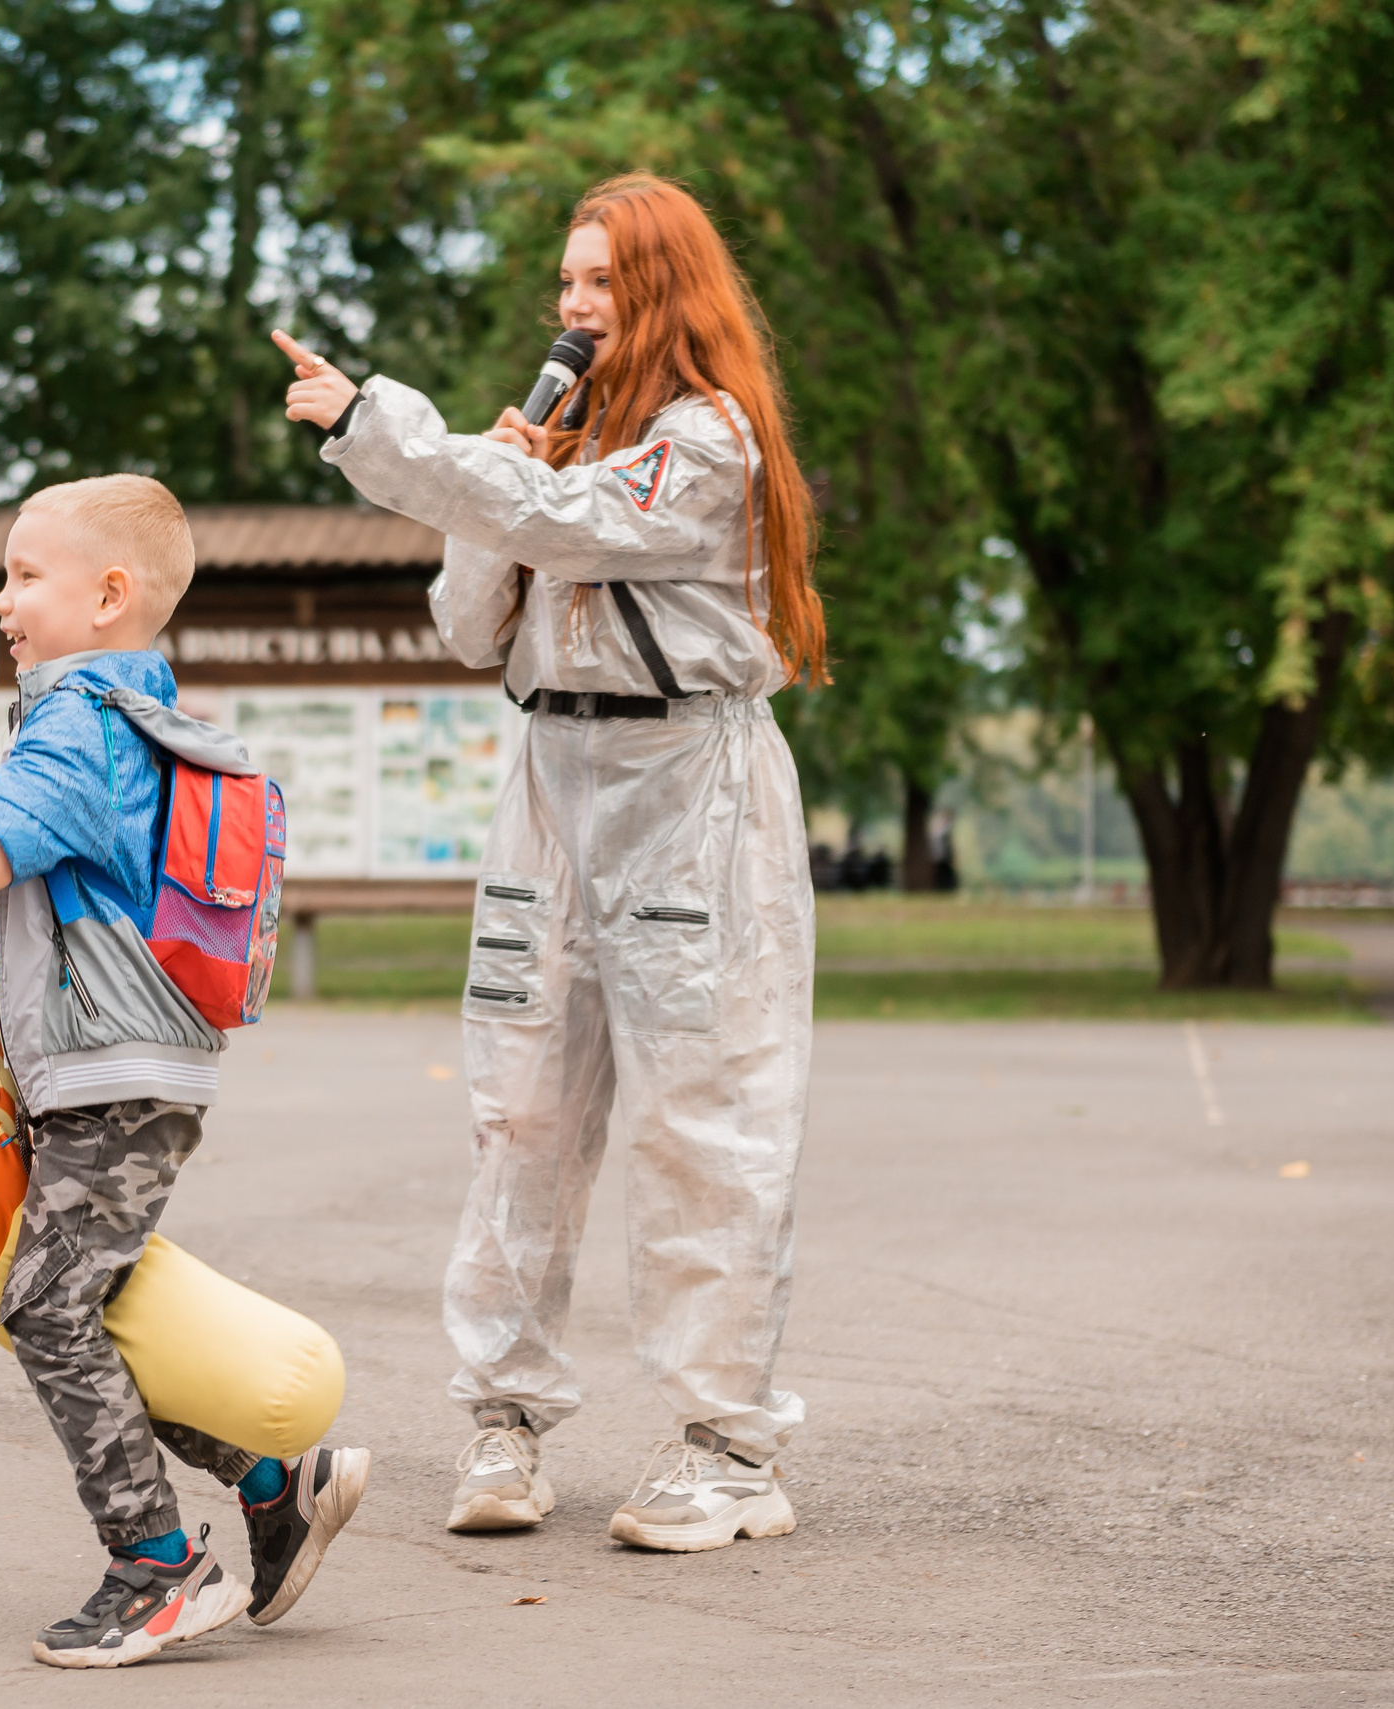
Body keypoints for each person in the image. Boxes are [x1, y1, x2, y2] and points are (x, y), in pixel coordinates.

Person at [273, 171, 825, 1553]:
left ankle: (727, 1446)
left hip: (686, 787)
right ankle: (504, 1420)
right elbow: (471, 625)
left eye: (602, 284)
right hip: (547, 787)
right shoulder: (558, 458)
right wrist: (496, 487)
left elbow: (585, 528)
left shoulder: (709, 444)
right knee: (518, 1110)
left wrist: (382, 426)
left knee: (705, 1120)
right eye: (567, 283)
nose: (575, 309)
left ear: (664, 293)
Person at [0, 473, 370, 1667]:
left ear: (109, 594)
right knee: (83, 1304)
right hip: (125, 1066)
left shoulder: (75, 722)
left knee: (43, 1304)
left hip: (113, 1074)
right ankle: (274, 1482)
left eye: (25, 574)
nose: (2, 597)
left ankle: (156, 1566)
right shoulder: (137, 713)